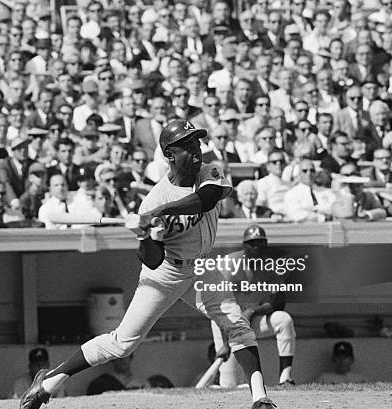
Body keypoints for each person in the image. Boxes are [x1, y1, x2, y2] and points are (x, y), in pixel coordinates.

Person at [19, 120, 277, 409]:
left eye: (197, 144)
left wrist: (161, 212)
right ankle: (49, 381)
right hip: (168, 272)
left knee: (236, 323)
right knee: (122, 343)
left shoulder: (209, 172)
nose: (197, 151)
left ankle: (260, 398)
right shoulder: (155, 199)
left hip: (203, 267)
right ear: (169, 155)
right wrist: (144, 233)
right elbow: (153, 260)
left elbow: (206, 200)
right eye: (188, 146)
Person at [211, 226, 296, 388]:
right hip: (224, 321)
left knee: (283, 320)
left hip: (252, 321)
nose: (257, 247)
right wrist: (225, 343)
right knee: (229, 384)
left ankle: (285, 378)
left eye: (260, 243)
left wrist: (252, 311)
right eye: (252, 243)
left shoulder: (270, 267)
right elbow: (216, 304)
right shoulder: (230, 264)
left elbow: (278, 303)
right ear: (244, 245)